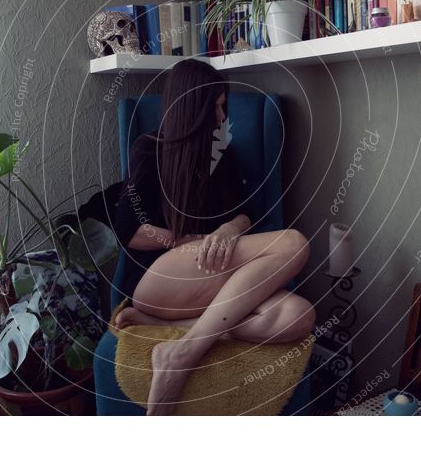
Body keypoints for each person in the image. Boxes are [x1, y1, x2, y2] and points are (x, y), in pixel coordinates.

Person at [112, 58, 314, 415]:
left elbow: (244, 212)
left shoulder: (221, 155)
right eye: (217, 107)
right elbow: (128, 230)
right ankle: (181, 355)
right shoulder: (150, 149)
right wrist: (189, 243)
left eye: (224, 107)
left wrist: (227, 229)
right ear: (193, 106)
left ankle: (177, 328)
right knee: (293, 243)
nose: (222, 117)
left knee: (298, 315)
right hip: (159, 281)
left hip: (205, 284)